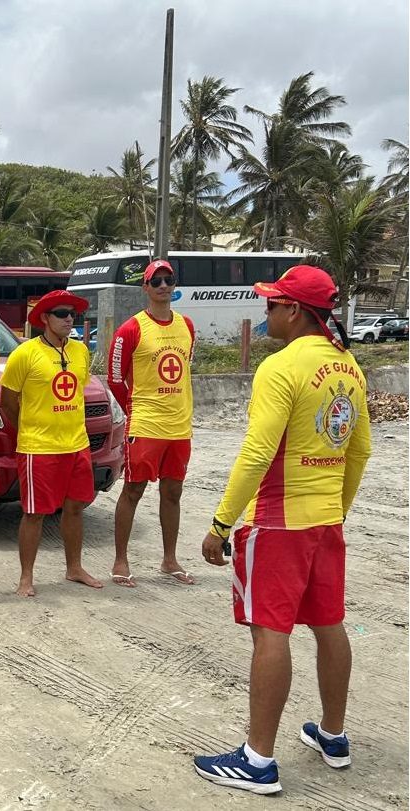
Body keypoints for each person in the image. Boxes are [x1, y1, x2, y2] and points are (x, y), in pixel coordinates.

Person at [193, 265, 371, 795]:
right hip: (324, 522)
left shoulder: (281, 367)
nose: (265, 312)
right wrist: (337, 508)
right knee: (328, 623)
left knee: (270, 632)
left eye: (271, 304)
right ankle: (333, 735)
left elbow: (256, 453)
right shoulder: (349, 367)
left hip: (278, 521)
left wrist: (221, 523)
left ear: (294, 310)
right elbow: (359, 450)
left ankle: (257, 760)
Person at [0, 290, 104, 597]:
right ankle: (26, 577)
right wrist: (27, 430)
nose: (69, 318)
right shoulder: (26, 353)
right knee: (34, 512)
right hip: (39, 448)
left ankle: (74, 568)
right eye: (61, 313)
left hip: (76, 444)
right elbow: (8, 401)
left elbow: (77, 392)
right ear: (45, 318)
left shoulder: (80, 351)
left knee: (75, 508)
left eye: (72, 313)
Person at [107, 259, 196, 588]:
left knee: (173, 492)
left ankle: (169, 559)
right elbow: (116, 379)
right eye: (155, 281)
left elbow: (185, 369)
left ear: (174, 284)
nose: (162, 285)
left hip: (179, 426)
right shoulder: (130, 329)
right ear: (145, 288)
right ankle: (120, 560)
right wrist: (135, 409)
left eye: (167, 279)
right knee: (133, 490)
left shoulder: (186, 326)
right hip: (145, 425)